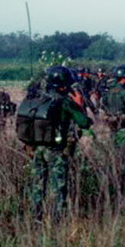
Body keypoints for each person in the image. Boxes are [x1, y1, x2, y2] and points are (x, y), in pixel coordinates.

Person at [24, 65, 92, 221]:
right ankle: (57, 221)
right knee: (58, 187)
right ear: (64, 84)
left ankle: (36, 218)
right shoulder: (65, 102)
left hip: (37, 148)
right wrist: (80, 105)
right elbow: (84, 123)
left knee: (37, 186)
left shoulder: (38, 98)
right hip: (56, 150)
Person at [101, 65, 125, 147]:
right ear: (124, 77)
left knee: (113, 140)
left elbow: (103, 103)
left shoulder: (109, 91)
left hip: (110, 119)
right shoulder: (124, 92)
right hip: (122, 121)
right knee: (121, 143)